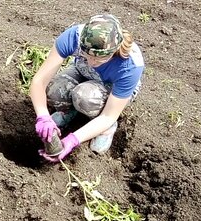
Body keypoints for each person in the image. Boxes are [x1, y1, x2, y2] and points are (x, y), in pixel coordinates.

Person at [30, 14, 145, 162]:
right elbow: (39, 82)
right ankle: (70, 111)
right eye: (86, 55)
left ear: (114, 51)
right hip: (82, 72)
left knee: (84, 97)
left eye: (99, 58)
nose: (91, 62)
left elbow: (108, 116)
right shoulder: (74, 37)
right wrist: (43, 116)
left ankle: (107, 129)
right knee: (54, 91)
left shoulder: (130, 65)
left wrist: (73, 140)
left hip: (109, 88)